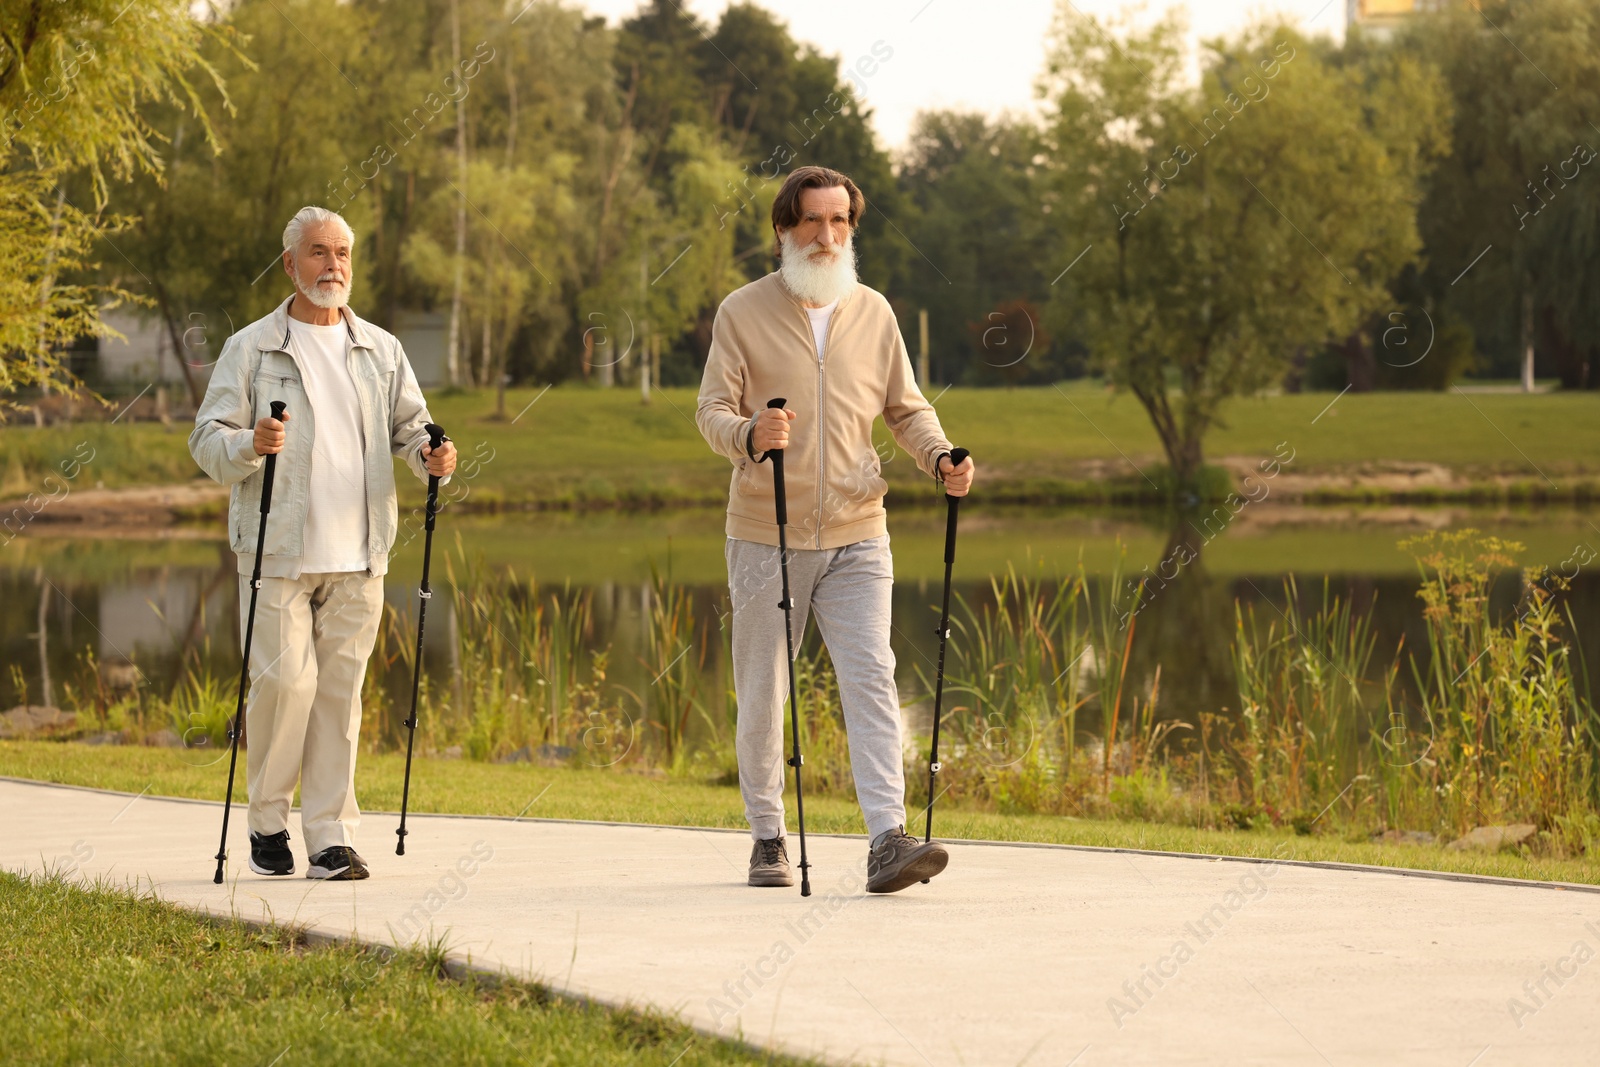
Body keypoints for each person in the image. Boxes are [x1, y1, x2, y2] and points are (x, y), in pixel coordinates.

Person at [696, 165, 977, 895]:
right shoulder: (741, 311)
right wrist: (751, 431)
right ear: (784, 229)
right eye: (813, 222)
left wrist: (939, 454)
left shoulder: (874, 311)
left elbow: (906, 409)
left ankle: (888, 835)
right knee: (764, 690)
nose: (827, 236)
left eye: (840, 221)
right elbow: (711, 414)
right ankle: (767, 834)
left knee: (872, 677)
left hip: (859, 529)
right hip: (766, 531)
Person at [190, 206, 456, 881]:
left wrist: (431, 455)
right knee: (286, 685)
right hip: (277, 553)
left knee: (340, 695)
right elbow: (206, 438)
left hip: (360, 554)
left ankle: (331, 835)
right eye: (317, 252)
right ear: (290, 263)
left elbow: (412, 428)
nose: (332, 265)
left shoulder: (381, 350)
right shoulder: (252, 347)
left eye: (341, 253)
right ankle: (267, 822)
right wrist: (248, 443)